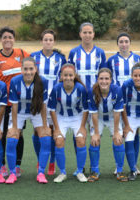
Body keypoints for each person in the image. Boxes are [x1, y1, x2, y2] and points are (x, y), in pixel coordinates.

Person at [0, 27, 29, 178]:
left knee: (18, 133)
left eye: (10, 37)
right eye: (4, 37)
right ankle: (3, 165)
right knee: (3, 133)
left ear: (14, 39)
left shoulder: (23, 54)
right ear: (1, 39)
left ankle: (17, 165)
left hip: (19, 103)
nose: (7, 40)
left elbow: (32, 69)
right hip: (3, 103)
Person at [68, 22, 106, 175]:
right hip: (79, 98)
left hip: (96, 98)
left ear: (94, 34)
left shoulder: (100, 53)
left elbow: (104, 74)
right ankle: (80, 166)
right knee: (79, 132)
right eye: (85, 32)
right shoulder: (73, 52)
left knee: (95, 132)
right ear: (80, 34)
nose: (87, 35)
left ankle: (94, 167)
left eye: (90, 32)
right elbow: (69, 74)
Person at [5, 57, 50, 184]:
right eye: (25, 69)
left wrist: (45, 126)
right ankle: (13, 173)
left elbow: (43, 105)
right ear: (21, 70)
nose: (28, 72)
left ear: (35, 69)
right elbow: (13, 106)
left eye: (31, 69)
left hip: (36, 112)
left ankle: (41, 172)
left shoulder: (43, 81)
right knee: (12, 140)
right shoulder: (15, 81)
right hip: (18, 113)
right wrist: (14, 127)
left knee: (46, 139)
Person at [30, 29, 67, 175]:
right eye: (45, 39)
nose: (48, 42)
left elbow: (64, 79)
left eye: (51, 40)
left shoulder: (60, 58)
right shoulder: (33, 57)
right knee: (37, 131)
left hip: (54, 101)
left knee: (51, 131)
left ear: (54, 42)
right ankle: (40, 159)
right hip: (38, 100)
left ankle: (51, 162)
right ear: (41, 41)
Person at [107, 32, 140, 175]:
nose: (123, 44)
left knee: (134, 132)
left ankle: (134, 164)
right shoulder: (111, 60)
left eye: (126, 41)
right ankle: (119, 165)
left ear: (130, 43)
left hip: (133, 101)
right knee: (119, 133)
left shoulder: (137, 58)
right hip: (117, 101)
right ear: (118, 44)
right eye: (121, 42)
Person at [48, 63, 89, 183]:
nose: (68, 78)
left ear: (74, 75)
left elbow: (86, 110)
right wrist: (56, 128)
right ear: (61, 76)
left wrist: (82, 127)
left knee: (80, 140)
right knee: (59, 141)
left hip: (77, 117)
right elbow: (52, 109)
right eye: (65, 75)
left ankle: (80, 171)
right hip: (62, 117)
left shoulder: (81, 88)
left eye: (70, 75)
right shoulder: (56, 88)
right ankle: (62, 172)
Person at [87, 68, 128, 182]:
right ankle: (95, 171)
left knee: (118, 140)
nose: (104, 81)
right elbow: (94, 114)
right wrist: (95, 133)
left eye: (106, 79)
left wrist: (116, 132)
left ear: (111, 80)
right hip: (98, 117)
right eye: (101, 78)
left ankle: (119, 171)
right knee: (95, 141)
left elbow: (117, 113)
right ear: (97, 79)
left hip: (112, 117)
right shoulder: (92, 91)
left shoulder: (117, 90)